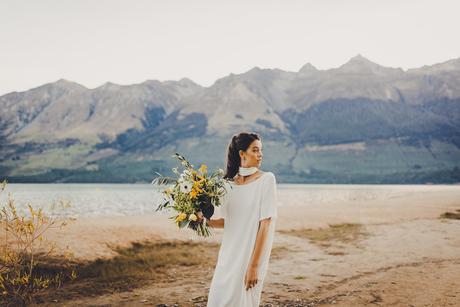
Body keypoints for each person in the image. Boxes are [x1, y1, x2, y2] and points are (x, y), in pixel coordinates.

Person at [202, 132, 278, 307]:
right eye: (255, 150)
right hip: (227, 256)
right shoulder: (226, 184)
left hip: (249, 257)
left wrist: (254, 266)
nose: (260, 154)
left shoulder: (266, 180)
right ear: (242, 153)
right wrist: (200, 220)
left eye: (261, 150)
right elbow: (227, 222)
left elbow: (265, 225)